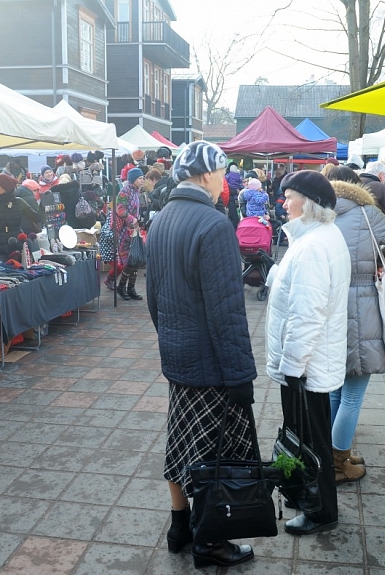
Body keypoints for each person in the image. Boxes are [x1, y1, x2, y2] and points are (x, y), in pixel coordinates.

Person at [145, 141, 256, 568]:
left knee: (180, 438)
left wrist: (172, 338)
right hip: (210, 362)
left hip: (178, 353)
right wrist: (241, 374)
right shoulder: (212, 226)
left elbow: (153, 299)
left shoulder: (161, 220)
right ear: (207, 175)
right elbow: (227, 311)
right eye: (223, 171)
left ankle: (180, 526)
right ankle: (209, 543)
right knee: (214, 451)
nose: (225, 179)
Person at [265, 170, 351, 535]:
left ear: (310, 204)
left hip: (307, 366)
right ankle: (309, 500)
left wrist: (293, 367)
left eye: (289, 196)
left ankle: (321, 511)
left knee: (311, 443)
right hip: (310, 363)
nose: (283, 202)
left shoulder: (314, 245)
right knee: (308, 439)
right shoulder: (317, 238)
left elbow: (306, 315)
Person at [326, 166, 385, 482]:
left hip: (328, 304)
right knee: (352, 394)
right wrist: (379, 259)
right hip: (362, 303)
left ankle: (332, 453)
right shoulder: (367, 214)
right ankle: (338, 465)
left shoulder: (318, 213)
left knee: (334, 389)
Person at [0, 174, 41, 261]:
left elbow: (36, 218)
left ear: (6, 187)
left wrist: (44, 204)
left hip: (17, 249)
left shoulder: (19, 202)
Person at [105, 167, 144, 300]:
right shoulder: (124, 192)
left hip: (134, 230)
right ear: (133, 179)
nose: (142, 180)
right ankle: (121, 287)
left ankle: (131, 288)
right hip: (124, 232)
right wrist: (131, 218)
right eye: (140, 178)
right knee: (128, 261)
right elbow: (119, 210)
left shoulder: (136, 191)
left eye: (143, 178)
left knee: (136, 259)